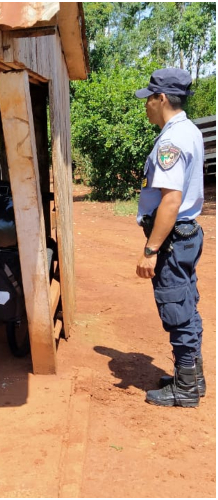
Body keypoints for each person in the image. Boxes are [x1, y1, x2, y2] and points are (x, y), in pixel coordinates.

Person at [134, 68, 206, 408]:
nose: (146, 105)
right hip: (187, 234)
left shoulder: (171, 140)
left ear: (161, 98)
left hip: (173, 238)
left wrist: (151, 250)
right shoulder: (189, 131)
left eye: (149, 98)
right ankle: (191, 377)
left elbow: (171, 199)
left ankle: (186, 388)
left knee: (177, 309)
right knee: (187, 304)